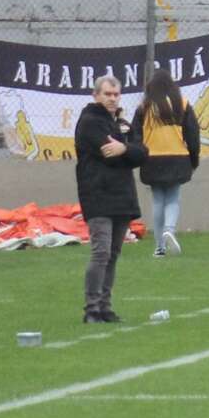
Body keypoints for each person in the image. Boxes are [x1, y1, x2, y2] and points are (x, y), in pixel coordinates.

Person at [72, 74, 144, 323]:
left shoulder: (122, 122)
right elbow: (108, 152)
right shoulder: (90, 121)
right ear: (96, 96)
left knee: (112, 254)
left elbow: (141, 152)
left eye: (115, 94)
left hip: (122, 195)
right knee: (100, 252)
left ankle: (104, 306)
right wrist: (127, 150)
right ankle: (91, 309)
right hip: (99, 194)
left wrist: (125, 148)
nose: (112, 99)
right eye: (107, 94)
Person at [136, 72, 201, 258]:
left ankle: (159, 247)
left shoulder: (144, 107)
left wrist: (139, 157)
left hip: (152, 158)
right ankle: (169, 230)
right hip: (177, 157)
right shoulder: (182, 104)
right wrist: (194, 159)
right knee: (173, 198)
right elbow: (193, 135)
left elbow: (135, 136)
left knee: (158, 199)